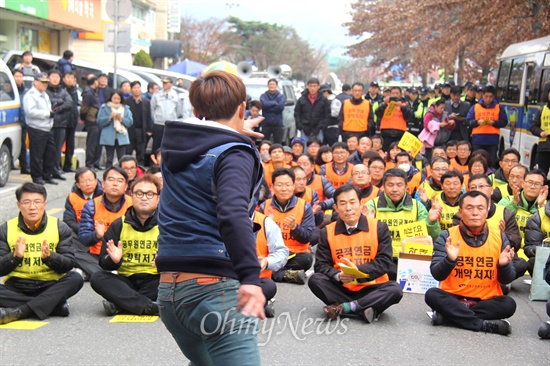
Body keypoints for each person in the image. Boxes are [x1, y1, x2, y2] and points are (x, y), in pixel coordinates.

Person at [156, 71, 266, 364]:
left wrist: (234, 132)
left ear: (195, 111)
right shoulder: (235, 154)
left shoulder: (174, 148)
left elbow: (204, 144)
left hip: (169, 293)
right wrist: (251, 278)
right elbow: (232, 212)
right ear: (242, 109)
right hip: (213, 290)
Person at [425, 191, 516, 336]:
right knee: (432, 295)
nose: (475, 213)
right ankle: (480, 324)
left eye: (480, 208)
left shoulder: (499, 237)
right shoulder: (448, 235)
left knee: (509, 305)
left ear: (487, 212)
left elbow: (508, 279)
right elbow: (436, 274)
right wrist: (450, 260)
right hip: (454, 297)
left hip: (486, 300)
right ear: (460, 212)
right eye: (469, 208)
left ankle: (449, 317)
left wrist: (503, 265)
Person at [308, 184, 403, 322]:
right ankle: (362, 309)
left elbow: (385, 261)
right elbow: (321, 266)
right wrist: (338, 276)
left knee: (395, 289)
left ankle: (343, 308)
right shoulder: (327, 232)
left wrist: (357, 272)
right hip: (342, 287)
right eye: (343, 203)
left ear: (361, 204)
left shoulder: (378, 227)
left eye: (352, 202)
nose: (348, 208)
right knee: (315, 280)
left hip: (372, 287)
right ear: (336, 208)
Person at [0, 183, 84, 324]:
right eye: (26, 202)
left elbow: (69, 264)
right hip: (17, 286)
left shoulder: (59, 227)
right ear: (18, 205)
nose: (32, 207)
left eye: (37, 202)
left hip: (49, 285)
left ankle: (20, 311)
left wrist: (50, 258)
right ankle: (54, 306)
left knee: (76, 278)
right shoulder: (6, 229)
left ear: (44, 204)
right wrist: (15, 257)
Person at [90, 175, 161, 316]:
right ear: (131, 196)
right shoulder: (118, 225)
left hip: (156, 280)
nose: (144, 198)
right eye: (139, 193)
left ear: (158, 198)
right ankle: (150, 307)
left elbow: (182, 260)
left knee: (179, 282)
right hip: (127, 280)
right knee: (97, 278)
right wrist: (114, 260)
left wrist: (166, 262)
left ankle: (121, 305)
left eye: (150, 194)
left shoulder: (168, 225)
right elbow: (103, 263)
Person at [454, 174, 524, 282]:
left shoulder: (505, 213)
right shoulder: (461, 214)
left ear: (491, 190)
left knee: (520, 264)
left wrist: (502, 237)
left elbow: (516, 242)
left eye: (481, 186)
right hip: (470, 257)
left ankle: (499, 282)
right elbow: (456, 238)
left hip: (497, 257)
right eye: (473, 187)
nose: (478, 190)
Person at [366, 168, 441, 263]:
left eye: (399, 185)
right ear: (383, 187)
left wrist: (431, 222)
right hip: (381, 258)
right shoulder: (372, 206)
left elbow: (432, 238)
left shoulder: (417, 207)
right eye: (390, 185)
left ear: (406, 187)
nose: (395, 189)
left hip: (410, 258)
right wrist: (369, 224)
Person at [260, 168, 315, 284]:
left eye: (288, 185)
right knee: (259, 259)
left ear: (293, 186)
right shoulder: (264, 206)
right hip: (271, 254)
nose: (284, 189)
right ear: (272, 186)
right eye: (279, 185)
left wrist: (295, 227)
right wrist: (268, 223)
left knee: (307, 259)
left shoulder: (305, 206)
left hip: (294, 254)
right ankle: (285, 274)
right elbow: (255, 237)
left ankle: (272, 273)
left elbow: (308, 237)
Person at [78, 167, 133, 274]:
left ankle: (93, 272)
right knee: (73, 253)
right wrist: (97, 235)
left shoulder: (133, 204)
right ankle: (104, 272)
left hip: (126, 255)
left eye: (120, 181)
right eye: (111, 180)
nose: (115, 184)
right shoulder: (91, 205)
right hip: (98, 255)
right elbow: (84, 239)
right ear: (103, 184)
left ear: (126, 186)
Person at [499, 169, 547, 265]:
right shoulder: (506, 201)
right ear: (522, 184)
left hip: (534, 252)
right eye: (529, 182)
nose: (532, 186)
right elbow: (499, 221)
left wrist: (540, 207)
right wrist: (514, 204)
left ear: (543, 188)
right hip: (510, 249)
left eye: (537, 184)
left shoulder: (546, 207)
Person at [63, 167, 104, 277]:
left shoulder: (105, 195)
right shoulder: (73, 197)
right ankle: (95, 271)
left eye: (91, 180)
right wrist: (85, 231)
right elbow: (68, 220)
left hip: (103, 234)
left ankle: (87, 270)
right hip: (81, 235)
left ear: (96, 181)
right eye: (84, 181)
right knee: (64, 236)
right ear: (78, 184)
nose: (88, 183)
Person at [23, 72, 58, 185]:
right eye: (42, 82)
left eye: (46, 83)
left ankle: (47, 175)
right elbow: (30, 112)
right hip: (36, 128)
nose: (45, 85)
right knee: (37, 155)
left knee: (50, 153)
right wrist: (47, 114)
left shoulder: (45, 95)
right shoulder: (31, 95)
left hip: (47, 128)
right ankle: (37, 176)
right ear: (35, 82)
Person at [252, 210, 288, 317]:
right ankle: (256, 305)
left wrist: (266, 262)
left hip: (257, 280)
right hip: (225, 281)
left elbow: (281, 253)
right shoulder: (215, 218)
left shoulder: (265, 222)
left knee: (269, 286)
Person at [467, 85, 508, 168]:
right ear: (482, 95)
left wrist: (494, 123)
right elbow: (468, 121)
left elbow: (504, 122)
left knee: (491, 162)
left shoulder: (499, 107)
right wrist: (477, 122)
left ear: (494, 96)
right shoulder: (475, 107)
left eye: (491, 97)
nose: (488, 99)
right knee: (477, 161)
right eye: (486, 96)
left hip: (493, 140)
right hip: (478, 140)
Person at [45, 70, 73, 180]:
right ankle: (47, 170)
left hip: (61, 124)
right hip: (48, 124)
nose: (55, 79)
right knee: (48, 149)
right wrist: (57, 104)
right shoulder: (46, 91)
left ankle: (56, 169)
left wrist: (58, 107)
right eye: (53, 76)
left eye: (57, 77)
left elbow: (69, 103)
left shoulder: (63, 91)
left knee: (58, 149)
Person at [97, 91, 133, 169]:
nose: (116, 100)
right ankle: (108, 173)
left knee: (122, 158)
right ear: (111, 98)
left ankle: (121, 173)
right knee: (109, 158)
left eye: (118, 99)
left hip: (121, 136)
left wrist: (121, 119)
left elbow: (130, 122)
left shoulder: (125, 108)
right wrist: (109, 118)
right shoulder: (104, 107)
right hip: (109, 136)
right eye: (114, 98)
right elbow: (99, 121)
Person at [375, 86, 415, 151]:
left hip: (400, 133)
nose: (395, 95)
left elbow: (409, 116)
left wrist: (402, 107)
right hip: (386, 133)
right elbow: (377, 113)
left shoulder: (405, 104)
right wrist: (385, 103)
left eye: (397, 93)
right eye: (393, 93)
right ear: (390, 94)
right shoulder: (385, 103)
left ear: (401, 94)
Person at [125, 81, 152, 166]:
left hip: (141, 130)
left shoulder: (146, 102)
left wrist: (149, 129)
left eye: (138, 88)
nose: (137, 90)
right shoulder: (126, 101)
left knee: (141, 153)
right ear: (131, 89)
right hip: (129, 130)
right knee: (128, 152)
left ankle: (140, 170)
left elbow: (149, 116)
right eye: (134, 88)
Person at [151, 77, 181, 155]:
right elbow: (152, 108)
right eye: (163, 83)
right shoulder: (157, 95)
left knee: (170, 144)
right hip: (159, 123)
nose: (164, 84)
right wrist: (156, 118)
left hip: (170, 124)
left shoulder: (175, 95)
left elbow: (178, 110)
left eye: (166, 83)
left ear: (171, 84)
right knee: (156, 145)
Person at [294, 77, 330, 142]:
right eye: (310, 86)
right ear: (307, 86)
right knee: (305, 150)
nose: (312, 88)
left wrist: (323, 126)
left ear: (318, 87)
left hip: (319, 130)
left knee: (317, 149)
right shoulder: (302, 99)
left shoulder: (323, 100)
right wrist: (300, 126)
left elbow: (327, 114)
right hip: (305, 130)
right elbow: (297, 113)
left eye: (314, 86)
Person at [81, 74, 102, 170]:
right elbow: (84, 108)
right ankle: (89, 163)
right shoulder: (88, 93)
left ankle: (96, 162)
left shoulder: (94, 92)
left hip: (97, 121)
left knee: (98, 144)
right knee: (91, 144)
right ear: (94, 82)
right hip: (91, 120)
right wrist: (84, 118)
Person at [529, 86, 550, 177]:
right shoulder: (542, 110)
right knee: (540, 176)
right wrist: (541, 132)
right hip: (544, 148)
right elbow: (533, 127)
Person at [260, 78, 286, 144]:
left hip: (278, 124)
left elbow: (280, 107)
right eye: (270, 84)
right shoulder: (263, 96)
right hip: (266, 123)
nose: (271, 86)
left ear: (276, 86)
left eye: (273, 84)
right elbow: (264, 105)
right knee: (264, 143)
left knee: (278, 143)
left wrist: (269, 106)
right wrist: (274, 103)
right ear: (268, 85)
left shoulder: (281, 96)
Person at [62, 71, 79, 173]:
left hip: (72, 121)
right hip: (62, 121)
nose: (69, 80)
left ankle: (68, 165)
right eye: (67, 77)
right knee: (59, 144)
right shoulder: (61, 90)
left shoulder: (75, 91)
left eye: (71, 78)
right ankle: (58, 165)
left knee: (70, 144)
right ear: (63, 79)